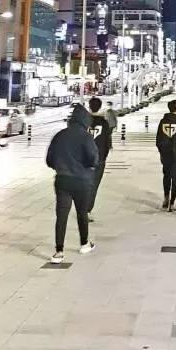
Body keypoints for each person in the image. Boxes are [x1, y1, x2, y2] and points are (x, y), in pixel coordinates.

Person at [46, 104, 99, 264]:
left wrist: (61, 167)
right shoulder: (86, 137)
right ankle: (84, 244)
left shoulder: (60, 135)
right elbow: (94, 159)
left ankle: (59, 251)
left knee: (61, 215)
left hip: (62, 180)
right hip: (82, 181)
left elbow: (49, 160)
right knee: (82, 213)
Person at [155, 99, 176, 210]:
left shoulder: (163, 121)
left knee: (166, 176)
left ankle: (166, 198)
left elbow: (158, 139)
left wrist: (161, 152)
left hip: (165, 153)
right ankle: (172, 202)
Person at [88, 97, 112, 221]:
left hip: (83, 158)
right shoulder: (104, 123)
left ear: (89, 106)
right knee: (94, 185)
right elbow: (107, 142)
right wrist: (104, 156)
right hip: (99, 158)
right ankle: (87, 209)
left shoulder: (83, 122)